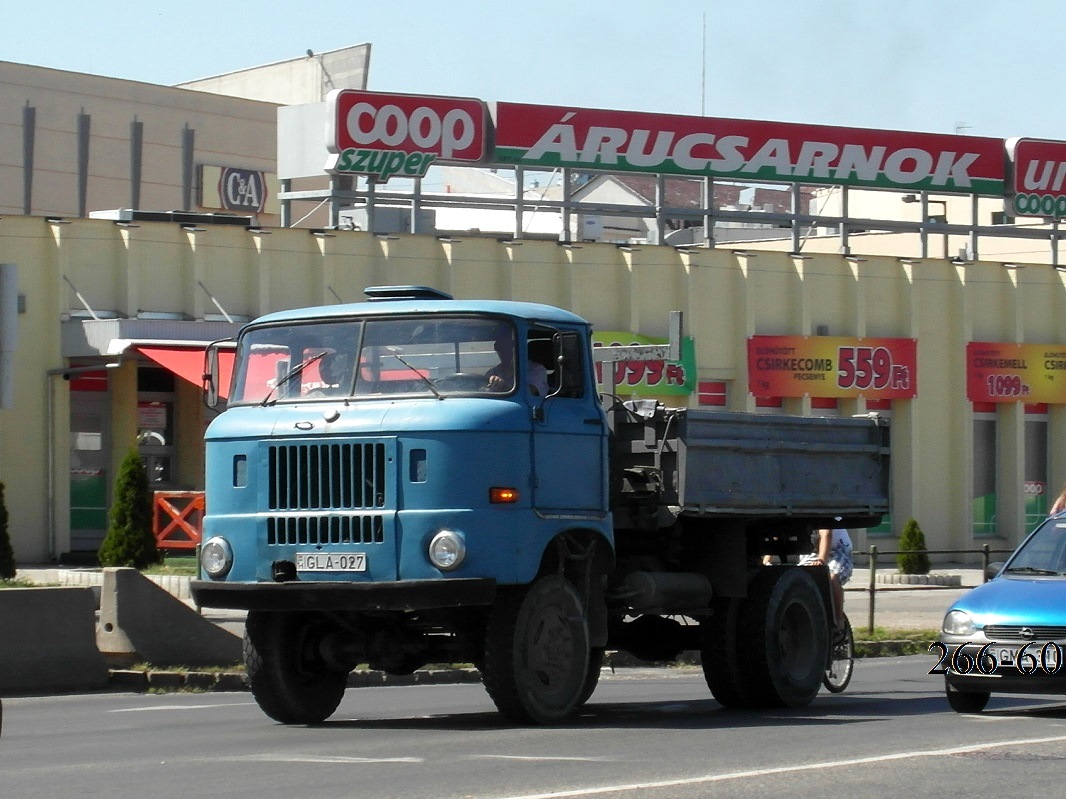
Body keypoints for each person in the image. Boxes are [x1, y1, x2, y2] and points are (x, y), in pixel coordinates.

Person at [798, 526, 853, 632]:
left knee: (831, 578)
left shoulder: (822, 510)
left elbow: (826, 534)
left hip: (839, 550)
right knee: (797, 579)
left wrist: (821, 562)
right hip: (814, 553)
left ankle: (839, 621)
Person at [486, 327, 549, 396]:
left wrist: (504, 386)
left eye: (507, 346)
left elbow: (530, 392)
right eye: (498, 346)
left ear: (518, 347)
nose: (502, 351)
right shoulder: (493, 372)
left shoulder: (537, 370)